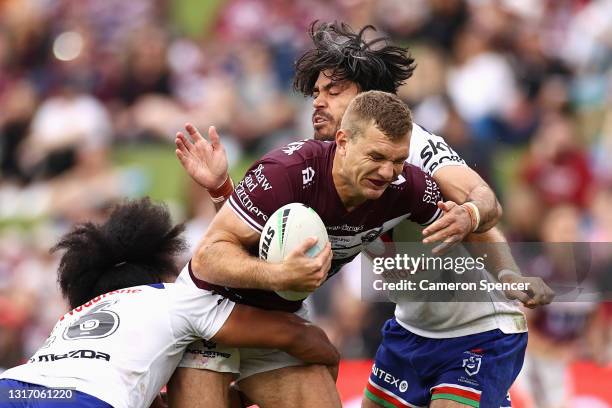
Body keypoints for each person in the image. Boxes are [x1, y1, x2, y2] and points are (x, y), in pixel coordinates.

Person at [174, 22, 553, 408]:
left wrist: (498, 257)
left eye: (333, 91)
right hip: (410, 330)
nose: (318, 102)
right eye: (316, 92)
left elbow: (482, 204)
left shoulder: (410, 150)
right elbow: (259, 238)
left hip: (477, 329)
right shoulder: (322, 162)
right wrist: (223, 191)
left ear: (367, 98)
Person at [174, 90, 475, 407]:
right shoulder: (285, 172)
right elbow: (207, 258)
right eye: (376, 157)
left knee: (325, 364)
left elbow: (475, 213)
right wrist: (279, 274)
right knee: (321, 350)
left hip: (278, 317)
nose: (387, 172)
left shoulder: (405, 187)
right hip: (210, 315)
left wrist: (474, 222)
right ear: (343, 142)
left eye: (397, 160)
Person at [0, 198, 340, 408]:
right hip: (87, 401)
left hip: (11, 388)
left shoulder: (72, 317)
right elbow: (294, 336)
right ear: (159, 266)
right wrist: (330, 357)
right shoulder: (176, 298)